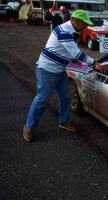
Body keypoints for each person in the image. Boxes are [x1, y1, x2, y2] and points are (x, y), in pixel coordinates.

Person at [23, 9, 101, 143]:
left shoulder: (72, 30)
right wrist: (93, 62)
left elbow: (68, 51)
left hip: (60, 70)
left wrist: (72, 59)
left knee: (65, 97)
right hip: (47, 69)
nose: (86, 26)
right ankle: (29, 127)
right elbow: (76, 53)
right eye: (84, 23)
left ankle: (64, 121)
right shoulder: (65, 31)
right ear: (76, 21)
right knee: (42, 99)